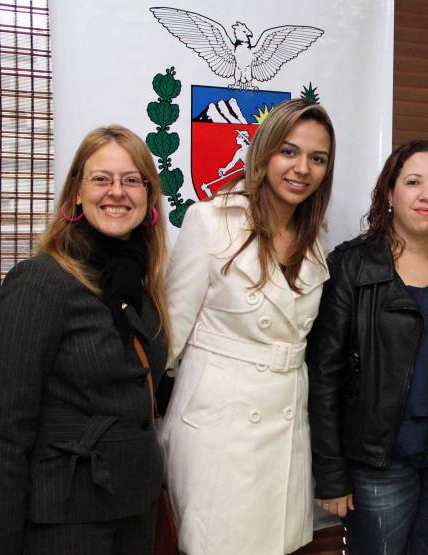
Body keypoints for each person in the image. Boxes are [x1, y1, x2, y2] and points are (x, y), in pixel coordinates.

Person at [0, 125, 170, 554]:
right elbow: (4, 434)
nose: (117, 191)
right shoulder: (41, 281)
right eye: (101, 178)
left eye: (131, 180)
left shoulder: (139, 283)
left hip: (135, 511)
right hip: (67, 519)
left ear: (149, 196)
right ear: (76, 194)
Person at [159, 99, 335, 555]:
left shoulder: (315, 242)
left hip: (287, 428)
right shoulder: (210, 222)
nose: (302, 169)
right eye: (289, 152)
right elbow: (168, 339)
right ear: (263, 153)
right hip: (219, 432)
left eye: (317, 159)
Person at [308, 140, 428, 555]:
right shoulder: (351, 266)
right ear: (390, 193)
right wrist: (331, 472)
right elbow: (324, 376)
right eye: (413, 182)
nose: (427, 195)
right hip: (381, 459)